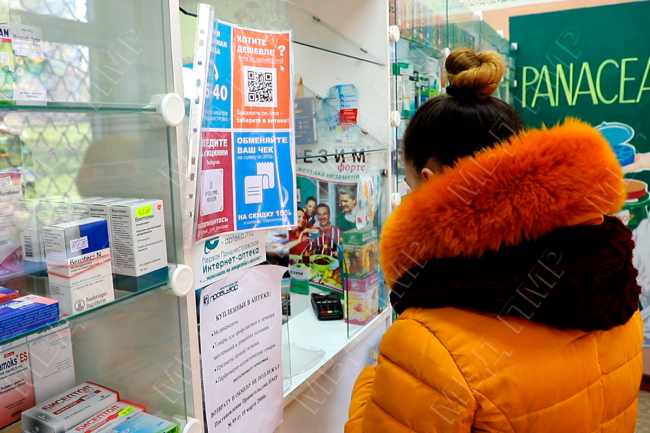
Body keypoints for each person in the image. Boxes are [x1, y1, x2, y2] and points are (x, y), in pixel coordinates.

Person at [346, 48, 642, 433]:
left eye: (409, 185)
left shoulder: (428, 340)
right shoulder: (612, 272)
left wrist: (374, 378)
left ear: (431, 182)